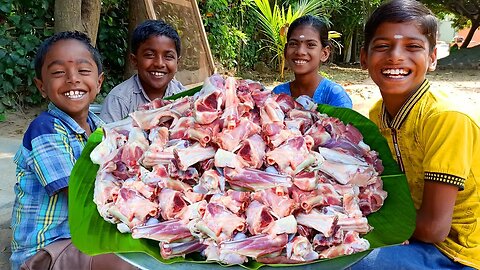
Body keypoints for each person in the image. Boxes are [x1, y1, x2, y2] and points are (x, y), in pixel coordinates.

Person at [352, 0, 480, 269]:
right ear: (364, 57)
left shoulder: (445, 118)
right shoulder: (377, 114)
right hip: (411, 231)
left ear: (432, 59)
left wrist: (352, 225)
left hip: (457, 250)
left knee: (351, 262)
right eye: (383, 46)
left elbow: (434, 228)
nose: (396, 56)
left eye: (413, 47)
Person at [9, 31, 136, 270]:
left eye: (84, 71)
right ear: (41, 86)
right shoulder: (44, 130)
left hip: (85, 239)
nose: (72, 79)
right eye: (58, 73)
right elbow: (78, 191)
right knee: (128, 264)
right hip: (48, 249)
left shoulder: (102, 129)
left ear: (98, 83)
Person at [100, 19, 186, 123]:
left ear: (177, 63)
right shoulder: (119, 100)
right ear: (134, 60)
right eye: (150, 55)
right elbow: (108, 136)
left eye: (168, 56)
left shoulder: (184, 98)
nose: (159, 63)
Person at [272, 15, 352, 108]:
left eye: (310, 45)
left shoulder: (335, 97)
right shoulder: (278, 93)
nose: (300, 52)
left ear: (324, 53)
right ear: (285, 51)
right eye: (293, 44)